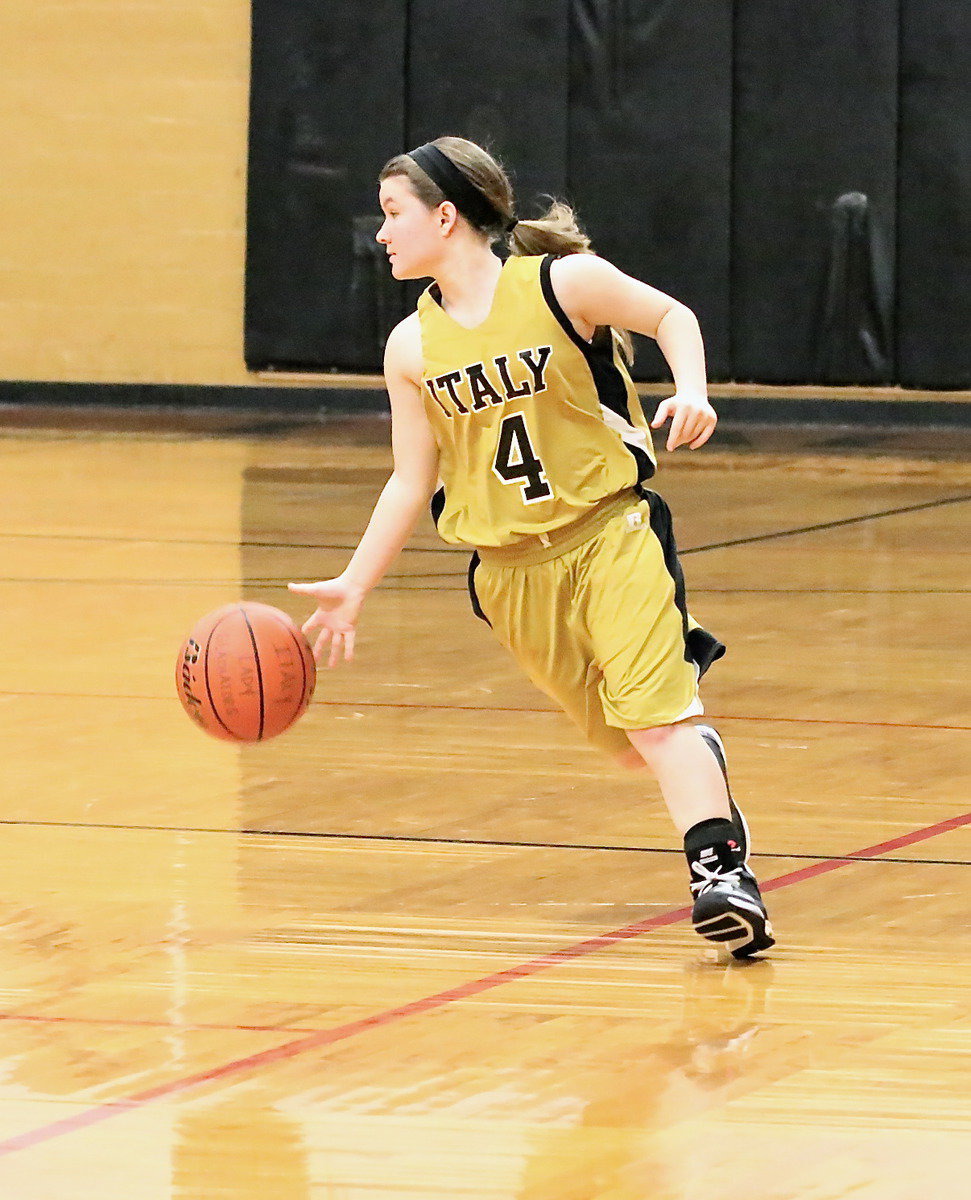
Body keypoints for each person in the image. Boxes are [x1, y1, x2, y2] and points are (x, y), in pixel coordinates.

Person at [290, 136, 774, 958]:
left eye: (392, 214)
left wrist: (691, 390)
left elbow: (670, 315)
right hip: (510, 571)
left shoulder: (561, 285)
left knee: (656, 725)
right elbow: (410, 480)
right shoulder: (410, 347)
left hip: (609, 530)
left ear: (446, 216)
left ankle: (721, 876)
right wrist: (354, 583)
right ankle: (703, 768)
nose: (381, 234)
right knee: (630, 747)